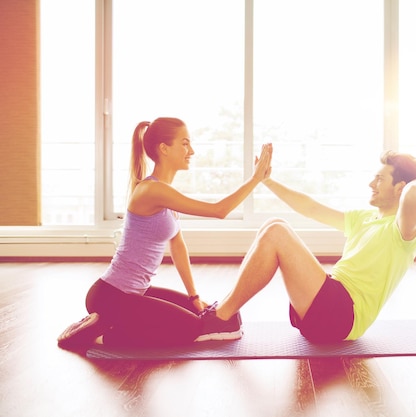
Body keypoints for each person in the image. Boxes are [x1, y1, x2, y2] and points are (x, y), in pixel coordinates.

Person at [57, 117, 272, 351]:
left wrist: (194, 297)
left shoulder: (166, 193)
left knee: (200, 317)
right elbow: (219, 211)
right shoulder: (152, 190)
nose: (192, 151)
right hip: (111, 296)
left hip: (135, 292)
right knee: (189, 330)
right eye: (185, 144)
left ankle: (109, 323)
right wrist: (255, 179)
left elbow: (178, 247)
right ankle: (97, 335)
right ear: (164, 148)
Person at [214, 150, 416, 343]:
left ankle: (222, 318)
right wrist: (267, 181)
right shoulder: (364, 218)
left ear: (400, 188)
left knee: (277, 233)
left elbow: (414, 197)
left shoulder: (402, 232)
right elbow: (311, 208)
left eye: (380, 179)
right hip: (329, 303)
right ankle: (223, 311)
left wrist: (412, 182)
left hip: (343, 316)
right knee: (274, 224)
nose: (371, 184)